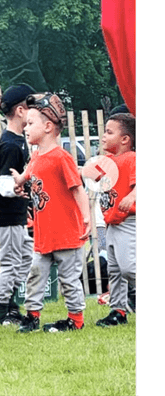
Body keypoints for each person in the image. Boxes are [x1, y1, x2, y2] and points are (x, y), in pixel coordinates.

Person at [10, 93, 91, 333]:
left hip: (66, 234)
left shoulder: (61, 157)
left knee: (68, 280)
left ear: (47, 127)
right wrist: (20, 180)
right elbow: (30, 173)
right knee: (35, 275)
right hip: (44, 234)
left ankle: (76, 320)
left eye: (30, 123)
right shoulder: (36, 155)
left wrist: (86, 217)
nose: (25, 128)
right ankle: (32, 316)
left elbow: (78, 189)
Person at [0, 84, 36, 326]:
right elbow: (2, 182)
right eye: (32, 107)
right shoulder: (10, 144)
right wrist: (16, 188)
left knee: (27, 257)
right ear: (20, 111)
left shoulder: (19, 140)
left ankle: (12, 305)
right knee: (10, 263)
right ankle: (0, 315)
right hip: (6, 213)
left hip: (16, 212)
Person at [95, 112, 136, 327]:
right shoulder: (108, 161)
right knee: (115, 271)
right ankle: (118, 311)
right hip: (111, 223)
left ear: (125, 139)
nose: (103, 136)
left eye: (109, 132)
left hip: (129, 222)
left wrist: (132, 195)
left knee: (129, 267)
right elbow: (85, 174)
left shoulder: (131, 158)